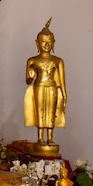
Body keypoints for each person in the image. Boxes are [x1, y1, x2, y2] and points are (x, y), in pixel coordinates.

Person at [24, 18, 66, 147]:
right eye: (43, 42)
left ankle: (50, 138)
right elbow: (28, 81)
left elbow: (62, 81)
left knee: (51, 112)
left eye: (49, 42)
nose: (46, 45)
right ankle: (40, 137)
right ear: (37, 44)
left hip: (52, 87)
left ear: (54, 43)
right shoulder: (32, 60)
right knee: (40, 111)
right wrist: (30, 75)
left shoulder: (58, 61)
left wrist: (64, 95)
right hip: (39, 86)